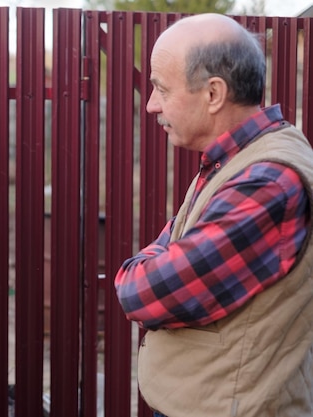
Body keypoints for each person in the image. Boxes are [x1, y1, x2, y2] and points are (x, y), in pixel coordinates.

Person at [114, 13, 313, 417]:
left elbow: (146, 293)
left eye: (161, 89)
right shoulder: (235, 160)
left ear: (213, 94)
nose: (152, 105)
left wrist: (146, 267)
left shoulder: (268, 180)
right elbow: (173, 249)